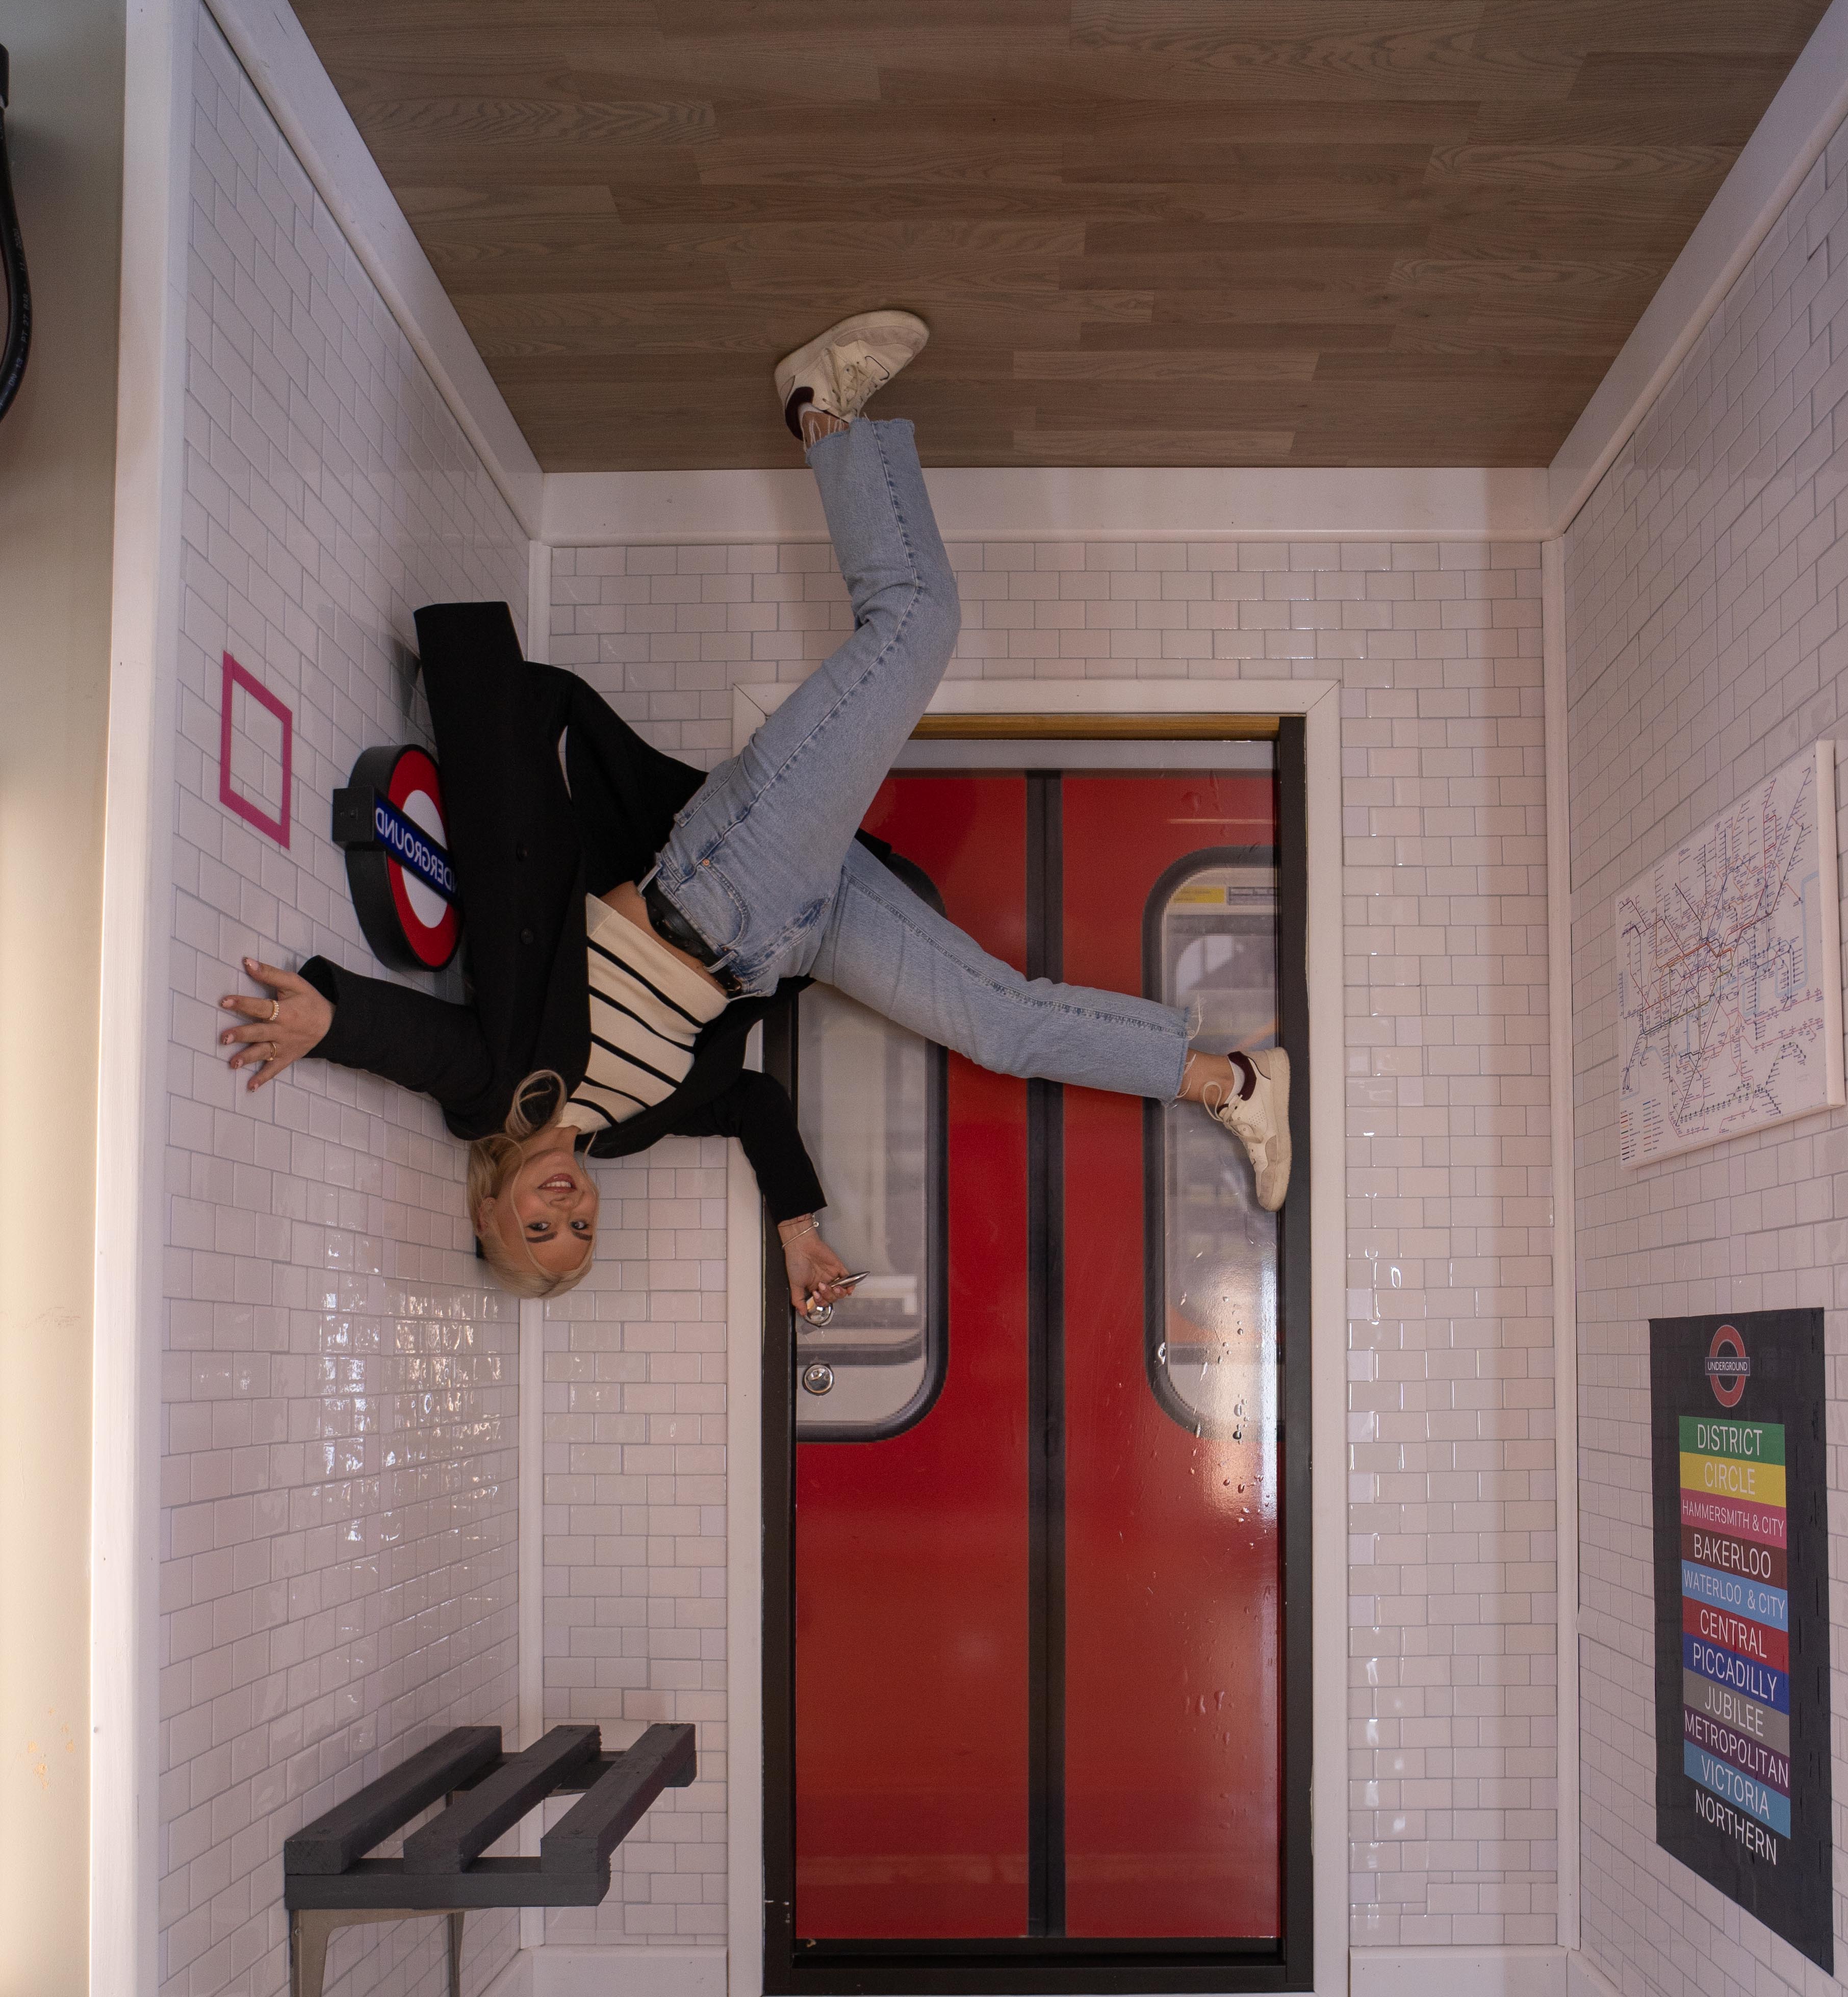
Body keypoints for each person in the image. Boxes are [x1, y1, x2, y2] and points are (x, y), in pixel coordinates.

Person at [219, 312, 1292, 1311]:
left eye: (538, 1230)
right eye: (578, 1236)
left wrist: (329, 1024)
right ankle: (1232, 1081)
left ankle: (824, 407)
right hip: (790, 937)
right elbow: (747, 1106)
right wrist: (796, 1225)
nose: (566, 1215)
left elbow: (425, 1049)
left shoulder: (504, 1092)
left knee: (915, 623)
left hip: (726, 881)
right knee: (999, 1024)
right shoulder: (622, 1129)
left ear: (489, 1205)